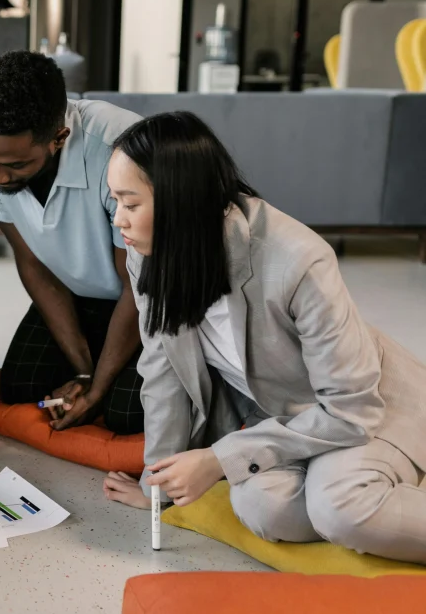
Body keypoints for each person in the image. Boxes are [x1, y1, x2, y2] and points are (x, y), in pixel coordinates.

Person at [101, 111, 426, 564]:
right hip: (290, 419)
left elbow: (352, 409)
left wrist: (219, 459)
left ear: (180, 201)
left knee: (340, 509)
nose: (119, 220)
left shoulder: (297, 260)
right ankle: (376, 496)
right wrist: (160, 491)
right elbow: (163, 375)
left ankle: (381, 481)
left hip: (367, 412)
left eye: (131, 204)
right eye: (114, 201)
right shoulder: (151, 254)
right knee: (261, 507)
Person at [0, 50, 145, 435]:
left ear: (59, 138)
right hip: (79, 292)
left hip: (150, 295)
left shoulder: (121, 155)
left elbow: (137, 285)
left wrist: (96, 389)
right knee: (20, 388)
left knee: (125, 414)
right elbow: (31, 261)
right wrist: (82, 369)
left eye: (15, 166)